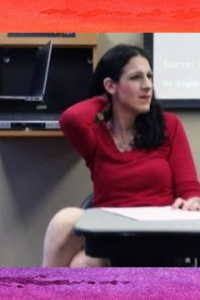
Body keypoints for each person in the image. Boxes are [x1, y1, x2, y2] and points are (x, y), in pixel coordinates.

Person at [42, 44, 200, 267]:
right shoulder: (95, 133)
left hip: (159, 238)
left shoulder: (169, 125)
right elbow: (70, 119)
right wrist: (106, 99)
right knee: (67, 224)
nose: (147, 86)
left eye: (149, 76)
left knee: (82, 264)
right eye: (136, 77)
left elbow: (189, 188)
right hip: (110, 237)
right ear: (110, 85)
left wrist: (193, 200)